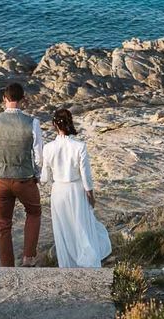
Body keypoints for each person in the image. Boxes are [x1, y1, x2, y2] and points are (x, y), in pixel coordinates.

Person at [0, 83, 43, 267]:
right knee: (34, 212)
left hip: (1, 180)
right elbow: (39, 155)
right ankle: (28, 257)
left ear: (4, 99)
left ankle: (7, 266)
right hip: (24, 179)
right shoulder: (32, 122)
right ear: (23, 100)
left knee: (3, 225)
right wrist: (37, 174)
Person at [41, 108, 111, 268]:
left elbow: (44, 178)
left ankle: (67, 265)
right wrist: (90, 195)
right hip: (76, 191)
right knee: (82, 227)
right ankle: (87, 261)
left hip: (58, 191)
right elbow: (86, 175)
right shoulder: (79, 146)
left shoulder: (48, 148)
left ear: (54, 125)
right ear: (70, 123)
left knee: (64, 230)